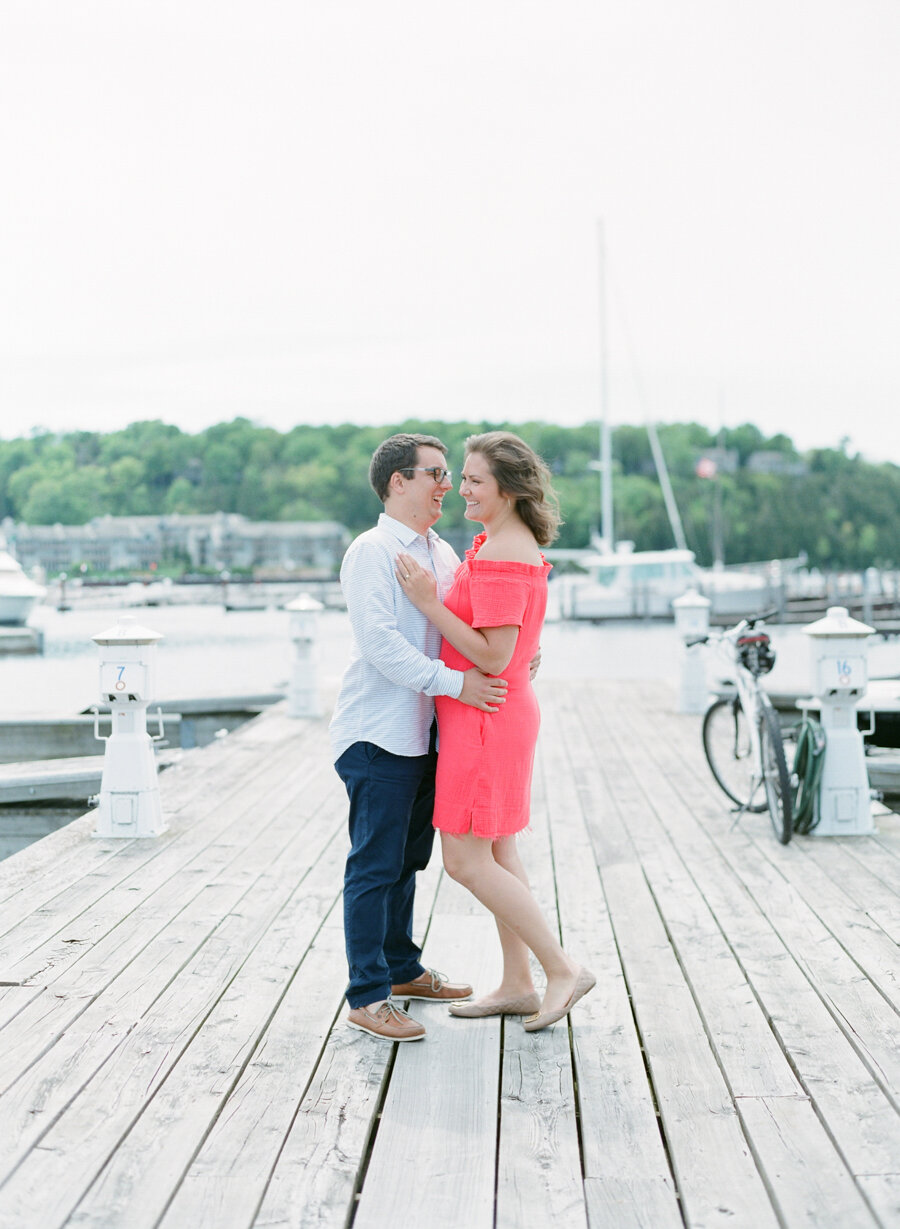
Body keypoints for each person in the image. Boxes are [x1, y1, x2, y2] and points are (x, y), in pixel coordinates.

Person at [396, 431, 595, 1032]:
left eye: (475, 479)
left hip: (486, 722)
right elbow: (511, 645)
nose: (461, 486)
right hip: (491, 717)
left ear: (507, 490)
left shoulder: (505, 551)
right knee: (499, 850)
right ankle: (517, 983)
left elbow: (491, 654)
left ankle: (562, 968)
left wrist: (430, 604)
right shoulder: (500, 543)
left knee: (463, 858)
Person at [330, 433, 511, 1043]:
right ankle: (367, 995)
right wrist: (459, 688)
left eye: (449, 474)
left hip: (427, 734)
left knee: (409, 859)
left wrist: (505, 661)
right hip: (377, 733)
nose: (447, 485)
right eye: (435, 473)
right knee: (374, 864)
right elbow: (382, 647)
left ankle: (402, 968)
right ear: (397, 481)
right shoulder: (372, 551)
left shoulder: (442, 552)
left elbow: (458, 628)